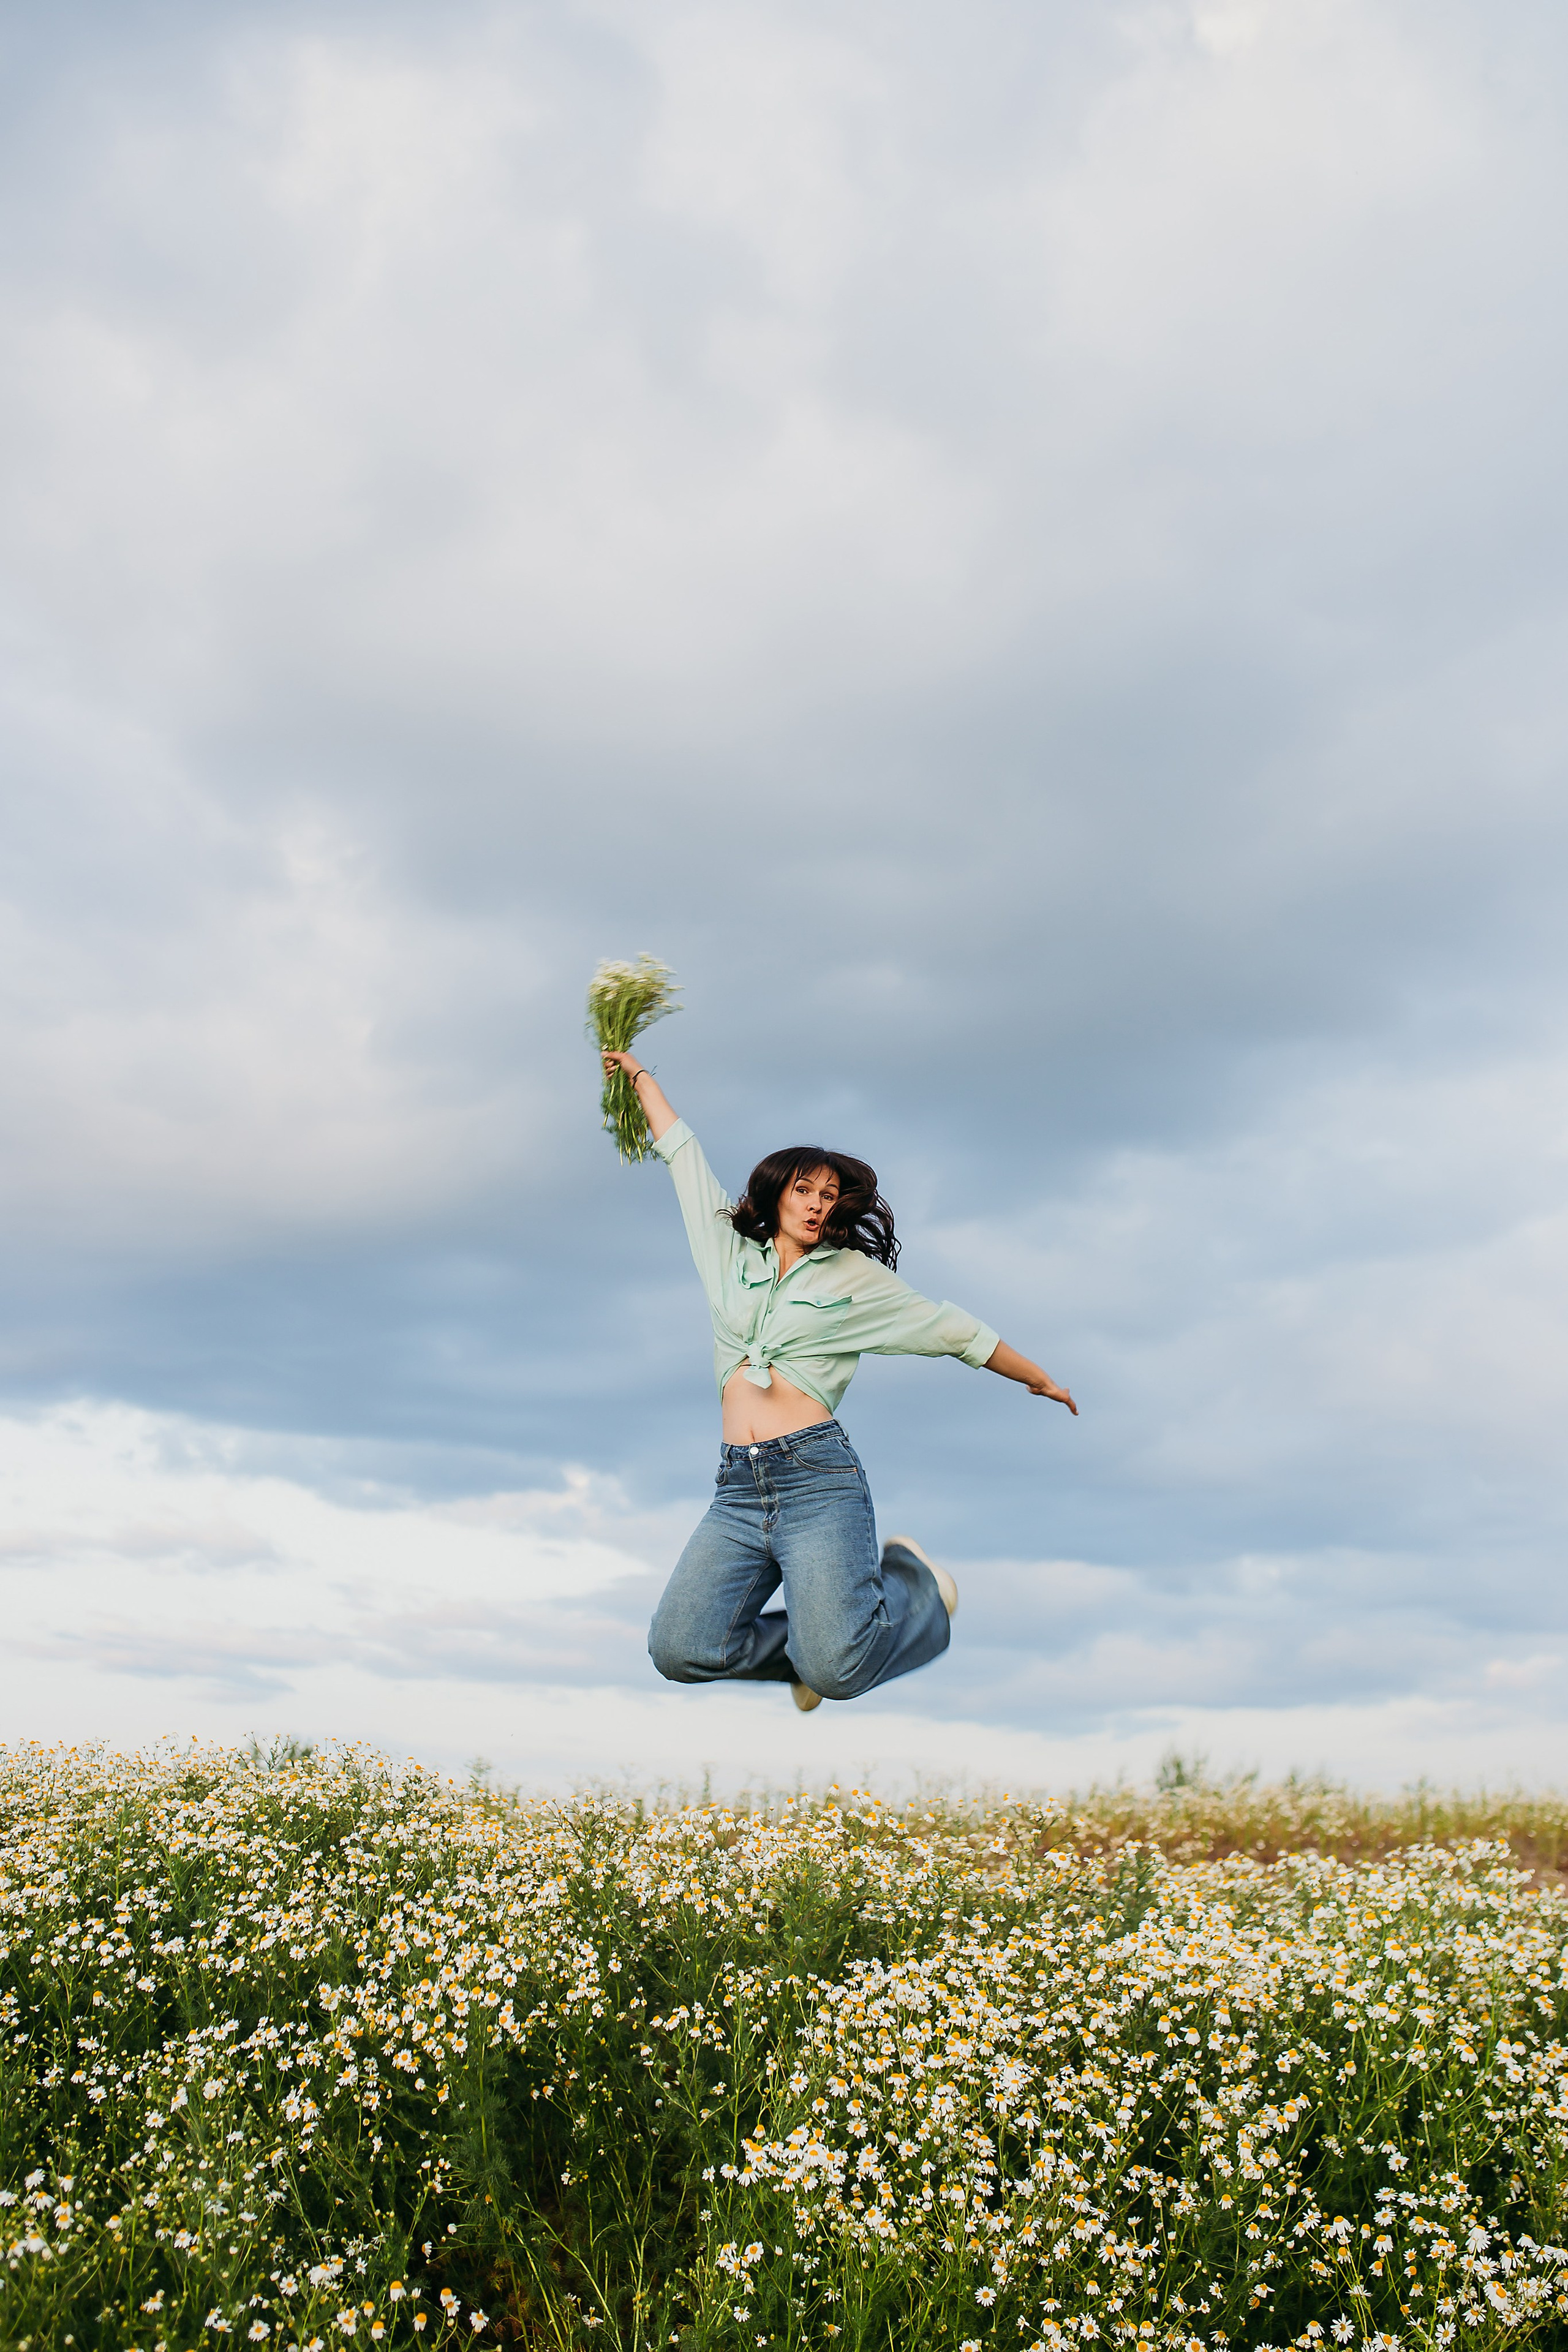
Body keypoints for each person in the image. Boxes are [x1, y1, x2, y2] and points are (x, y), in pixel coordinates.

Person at [603, 1050, 1078, 1713]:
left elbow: (949, 1330)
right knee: (680, 1650)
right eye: (804, 1190)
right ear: (775, 1193)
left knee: (839, 1676)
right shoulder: (728, 1255)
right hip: (739, 1488)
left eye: (828, 1196)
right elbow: (683, 1159)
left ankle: (916, 1589)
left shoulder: (854, 1278)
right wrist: (641, 1079)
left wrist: (1038, 1377)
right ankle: (811, 1649)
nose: (817, 1205)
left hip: (816, 1482)